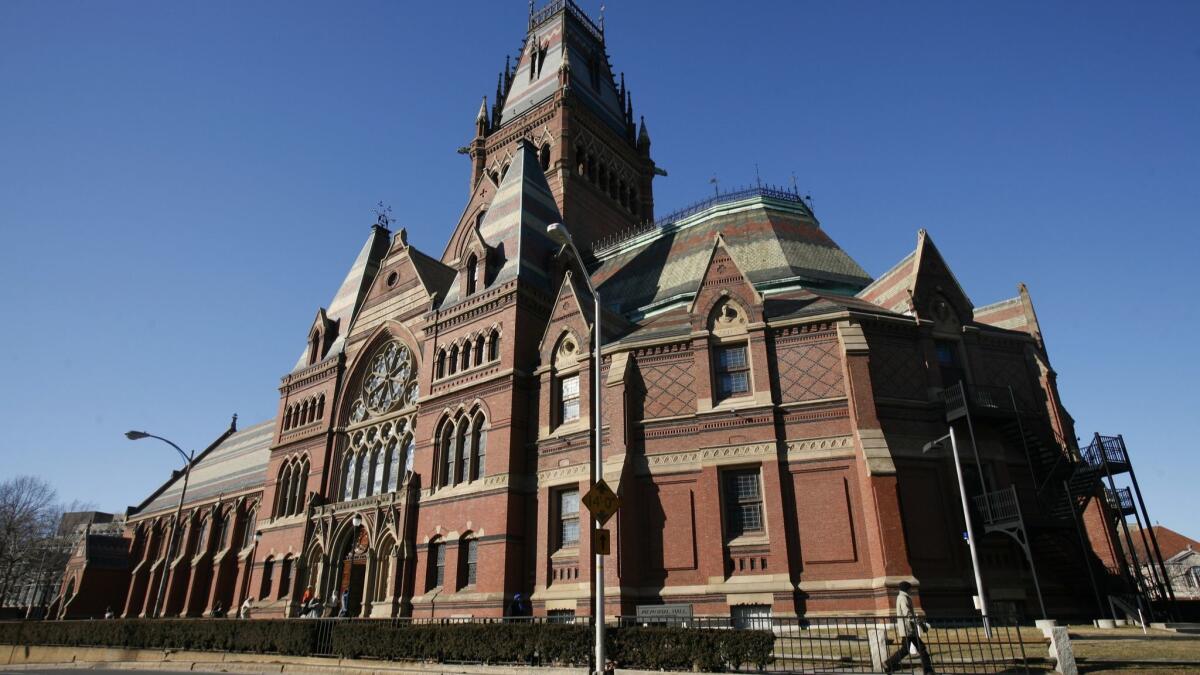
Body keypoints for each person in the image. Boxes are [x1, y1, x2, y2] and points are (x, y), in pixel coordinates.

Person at [884, 581, 934, 674]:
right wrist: (920, 623)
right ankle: (928, 670)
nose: (911, 590)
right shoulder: (903, 598)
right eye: (910, 588)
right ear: (907, 589)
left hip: (908, 629)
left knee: (906, 649)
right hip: (909, 629)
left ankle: (888, 664)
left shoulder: (902, 597)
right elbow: (907, 613)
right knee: (921, 649)